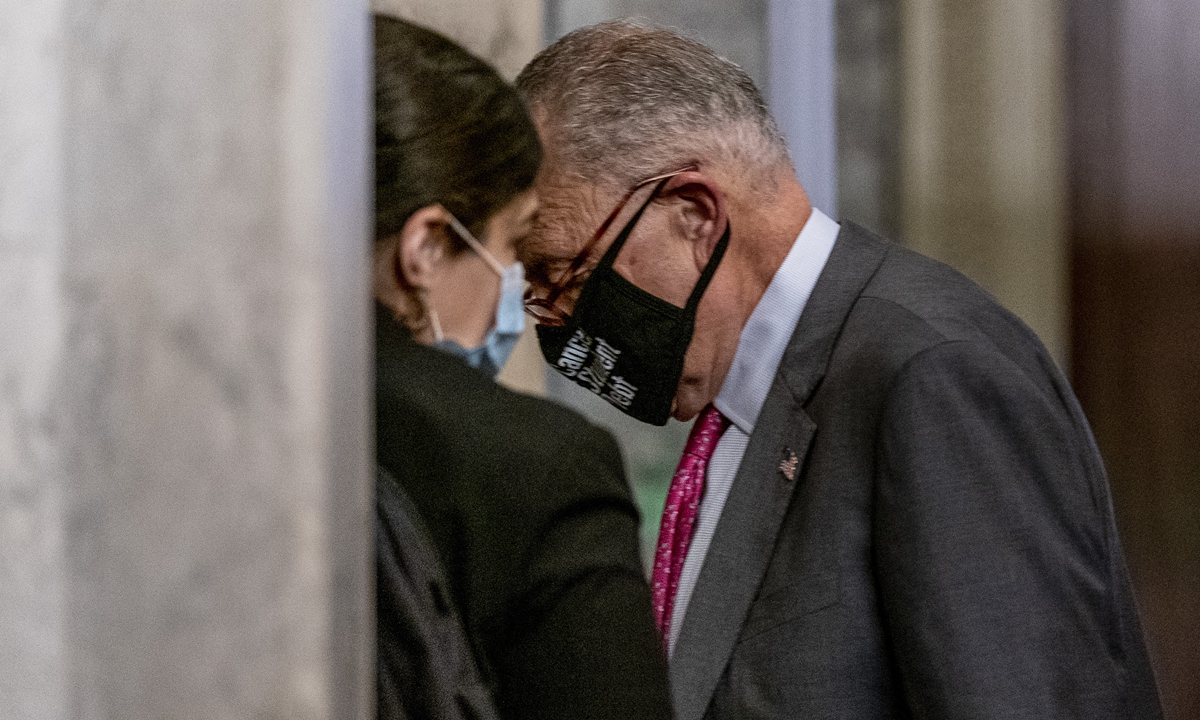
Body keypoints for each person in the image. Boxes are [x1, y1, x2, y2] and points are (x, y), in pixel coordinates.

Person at [514, 20, 1164, 720]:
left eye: (565, 271)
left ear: (695, 214)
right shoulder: (749, 400)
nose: (554, 316)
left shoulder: (933, 375)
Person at [371, 15, 674, 720]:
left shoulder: (190, 420)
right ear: (427, 247)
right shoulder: (540, 466)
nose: (524, 296)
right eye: (513, 247)